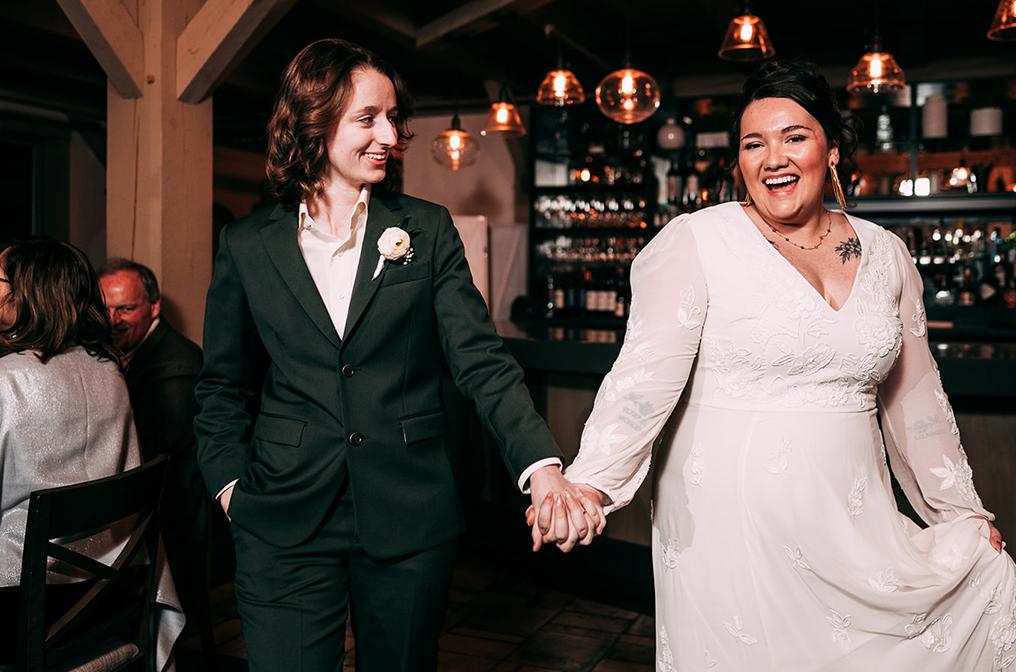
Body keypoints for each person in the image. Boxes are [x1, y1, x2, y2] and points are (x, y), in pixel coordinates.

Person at [561, 60, 1016, 670]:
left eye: (794, 137)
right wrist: (590, 484)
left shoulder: (886, 254)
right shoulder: (698, 241)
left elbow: (915, 398)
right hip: (728, 527)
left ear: (832, 151)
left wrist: (961, 512)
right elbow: (642, 379)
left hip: (855, 522)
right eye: (753, 143)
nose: (772, 159)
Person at [193, 38, 601, 671]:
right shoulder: (247, 244)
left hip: (407, 512)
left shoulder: (427, 228)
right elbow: (222, 385)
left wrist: (541, 464)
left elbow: (479, 359)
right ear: (314, 120)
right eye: (368, 118)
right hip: (280, 513)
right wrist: (229, 489)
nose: (389, 134)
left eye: (392, 117)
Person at [0, 238, 185, 669]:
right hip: (109, 594)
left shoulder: (7, 382)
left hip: (23, 608)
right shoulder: (108, 370)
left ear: (26, 293)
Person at [99, 258, 216, 663]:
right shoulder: (129, 353)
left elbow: (150, 459)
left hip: (173, 520)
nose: (113, 320)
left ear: (153, 307)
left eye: (125, 309)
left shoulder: (176, 367)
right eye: (105, 309)